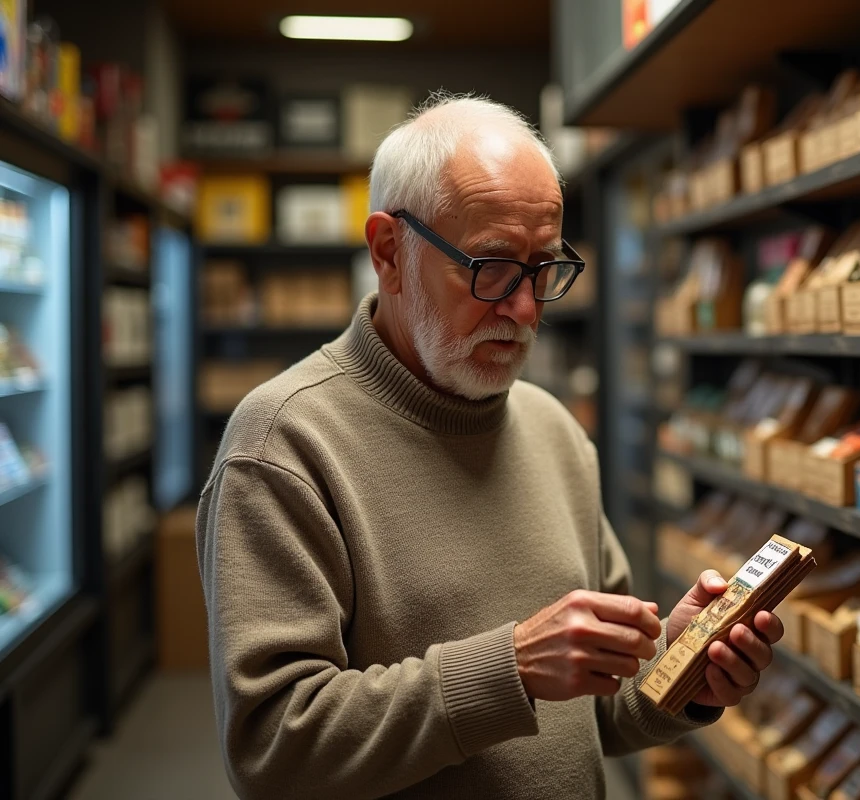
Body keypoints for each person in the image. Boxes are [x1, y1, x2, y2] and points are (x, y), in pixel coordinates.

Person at [196, 93, 785, 800]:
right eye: (493, 267)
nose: (526, 309)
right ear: (389, 251)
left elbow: (597, 712)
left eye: (544, 269)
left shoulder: (554, 429)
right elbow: (273, 751)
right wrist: (510, 669)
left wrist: (683, 668)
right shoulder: (282, 444)